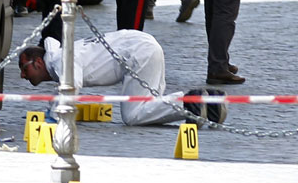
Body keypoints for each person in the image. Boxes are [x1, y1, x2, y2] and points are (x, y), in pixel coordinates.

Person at [18, 31, 226, 126]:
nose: (22, 75)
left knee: (134, 115)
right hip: (143, 45)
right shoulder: (60, 57)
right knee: (150, 107)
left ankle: (190, 103)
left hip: (138, 52)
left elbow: (72, 84)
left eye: (24, 69)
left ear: (37, 63)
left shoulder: (59, 60)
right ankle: (210, 104)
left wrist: (55, 115)